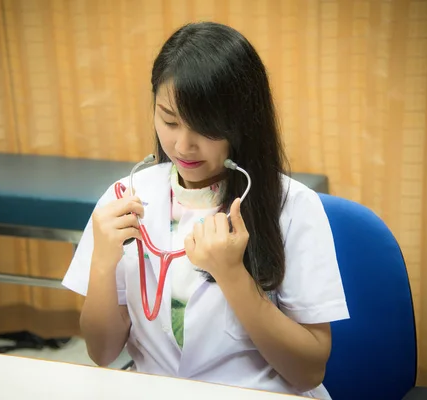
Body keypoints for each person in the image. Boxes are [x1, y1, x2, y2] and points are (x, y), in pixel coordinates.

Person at [63, 21, 349, 399]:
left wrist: (232, 275)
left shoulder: (293, 207)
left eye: (205, 128)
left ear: (242, 124)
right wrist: (102, 263)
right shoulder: (124, 196)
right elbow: (102, 353)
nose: (182, 145)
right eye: (169, 120)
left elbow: (309, 369)